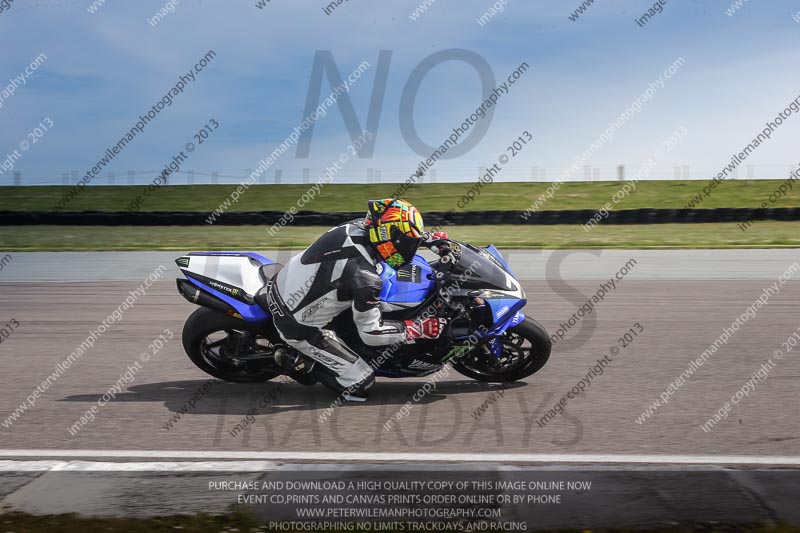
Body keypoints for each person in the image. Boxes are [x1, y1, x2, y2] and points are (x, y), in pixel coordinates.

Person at [266, 198, 449, 401]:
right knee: (361, 384)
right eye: (407, 242)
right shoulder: (365, 279)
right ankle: (296, 361)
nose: (409, 247)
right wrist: (418, 328)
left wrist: (428, 239)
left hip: (285, 281)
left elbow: (394, 237)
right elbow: (371, 333)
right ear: (388, 237)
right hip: (297, 324)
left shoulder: (359, 226)